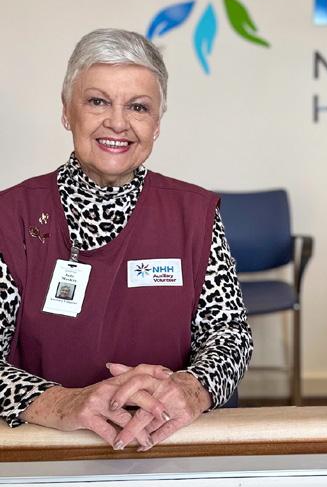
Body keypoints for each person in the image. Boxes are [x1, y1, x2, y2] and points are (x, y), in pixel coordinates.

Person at [0, 28, 253, 451]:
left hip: (170, 443)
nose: (117, 123)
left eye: (138, 107)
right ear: (67, 111)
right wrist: (63, 403)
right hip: (44, 450)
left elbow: (230, 334)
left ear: (157, 124)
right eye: (97, 101)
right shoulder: (10, 216)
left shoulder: (194, 214)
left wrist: (190, 389)